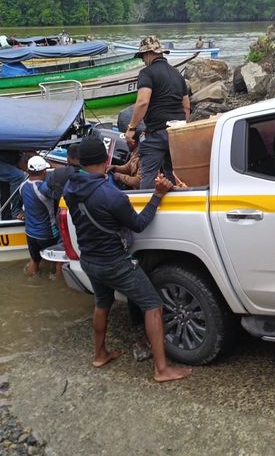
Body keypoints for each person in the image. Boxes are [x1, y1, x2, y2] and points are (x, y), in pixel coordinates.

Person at [63, 137, 192, 382]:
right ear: (106, 160)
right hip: (114, 263)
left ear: (80, 162)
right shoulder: (111, 196)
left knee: (102, 304)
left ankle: (100, 354)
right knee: (153, 305)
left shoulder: (70, 188)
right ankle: (161, 369)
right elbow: (139, 224)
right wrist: (157, 194)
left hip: (89, 260)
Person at [125, 36, 190, 190]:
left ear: (148, 53)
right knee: (172, 174)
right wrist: (182, 128)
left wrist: (131, 128)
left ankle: (146, 206)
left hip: (156, 133)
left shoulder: (147, 73)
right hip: (177, 133)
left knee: (148, 175)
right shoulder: (177, 74)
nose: (142, 60)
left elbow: (142, 102)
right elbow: (186, 106)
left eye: (142, 57)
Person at [21, 156, 59, 278]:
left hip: (30, 233)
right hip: (47, 233)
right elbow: (60, 195)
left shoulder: (22, 186)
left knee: (34, 259)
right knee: (57, 260)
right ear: (44, 172)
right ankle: (56, 283)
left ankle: (32, 280)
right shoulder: (43, 188)